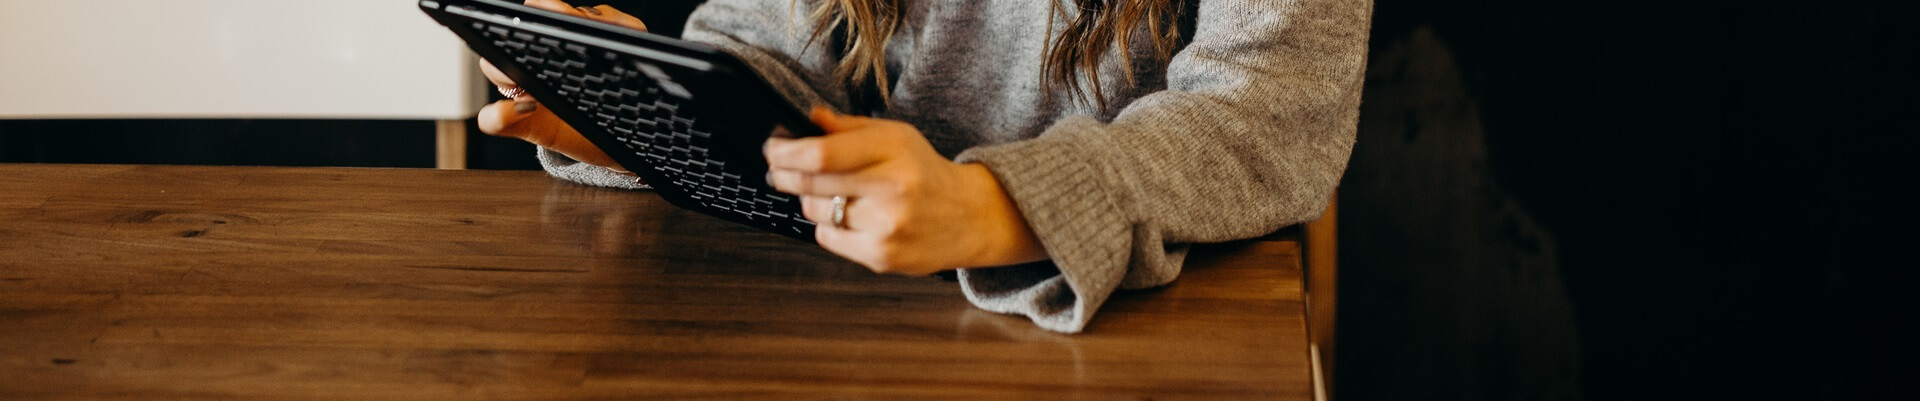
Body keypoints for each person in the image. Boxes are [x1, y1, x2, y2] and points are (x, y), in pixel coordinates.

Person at [478, 0, 1370, 333]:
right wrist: (642, 116)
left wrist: (993, 205)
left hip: (1158, 332)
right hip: (880, 325)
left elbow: (1262, 115)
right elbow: (785, 57)